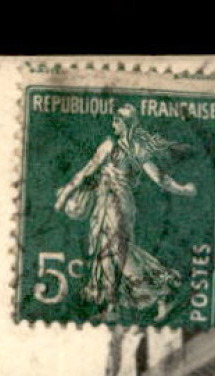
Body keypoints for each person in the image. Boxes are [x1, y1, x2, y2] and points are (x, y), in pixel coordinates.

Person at [52, 102, 198, 324]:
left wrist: (183, 190)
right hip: (104, 202)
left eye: (116, 121)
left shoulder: (133, 148)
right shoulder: (112, 146)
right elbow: (86, 172)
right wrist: (65, 195)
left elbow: (159, 178)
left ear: (124, 124)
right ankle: (113, 305)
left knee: (119, 252)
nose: (113, 124)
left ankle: (161, 295)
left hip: (118, 204)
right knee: (107, 251)